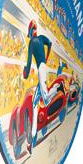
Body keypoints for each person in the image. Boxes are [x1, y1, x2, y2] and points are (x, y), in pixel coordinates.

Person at [23, 20, 64, 154]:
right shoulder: (41, 38)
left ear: (30, 31)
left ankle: (57, 87)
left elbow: (29, 62)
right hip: (43, 67)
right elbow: (50, 43)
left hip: (41, 69)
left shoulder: (32, 42)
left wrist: (25, 73)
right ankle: (31, 144)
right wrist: (46, 58)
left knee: (45, 99)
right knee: (35, 105)